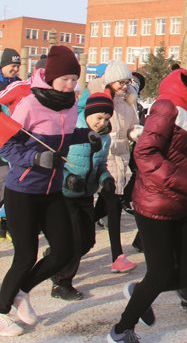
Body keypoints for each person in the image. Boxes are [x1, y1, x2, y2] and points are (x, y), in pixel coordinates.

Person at [107, 33, 187, 343]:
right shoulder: (168, 105)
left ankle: (141, 293)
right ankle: (120, 331)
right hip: (155, 203)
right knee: (160, 274)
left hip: (184, 201)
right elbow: (145, 154)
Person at [0, 46, 81, 336]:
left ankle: (20, 292)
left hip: (52, 190)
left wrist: (89, 135)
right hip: (22, 189)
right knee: (25, 255)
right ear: (50, 77)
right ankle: (0, 311)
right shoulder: (30, 104)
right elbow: (6, 143)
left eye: (74, 79)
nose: (70, 85)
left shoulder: (71, 104)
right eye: (65, 79)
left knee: (64, 250)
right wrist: (34, 158)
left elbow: (65, 138)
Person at [51, 92, 117, 301]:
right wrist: (68, 178)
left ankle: (53, 259)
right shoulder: (72, 129)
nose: (101, 123)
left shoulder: (104, 137)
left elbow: (101, 165)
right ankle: (62, 283)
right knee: (75, 239)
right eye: (98, 118)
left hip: (87, 193)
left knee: (87, 241)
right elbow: (56, 162)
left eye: (106, 119)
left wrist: (106, 179)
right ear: (87, 113)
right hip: (65, 194)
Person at [92, 60, 139, 274]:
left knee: (103, 206)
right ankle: (117, 256)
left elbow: (130, 127)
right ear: (110, 82)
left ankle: (69, 236)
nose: (125, 85)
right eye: (121, 82)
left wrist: (136, 133)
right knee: (113, 205)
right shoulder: (102, 101)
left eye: (127, 81)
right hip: (106, 156)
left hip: (122, 157)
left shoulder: (128, 102)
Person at [0, 48, 21, 241]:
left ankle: (7, 223)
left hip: (12, 137)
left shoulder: (18, 84)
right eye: (12, 65)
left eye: (17, 66)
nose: (15, 69)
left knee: (10, 181)